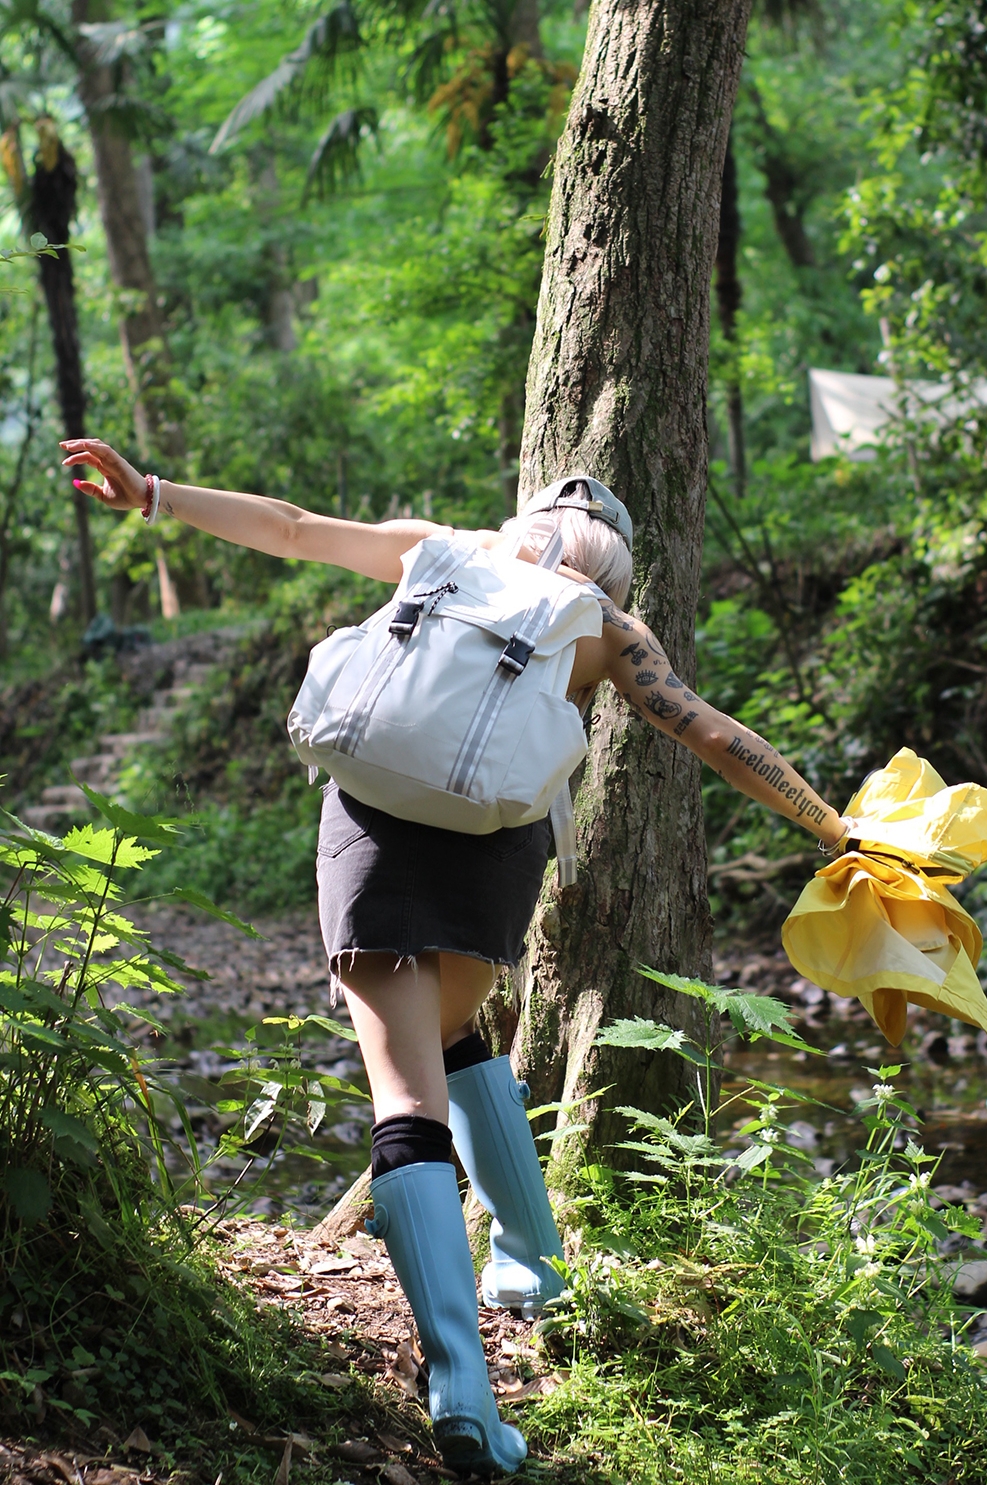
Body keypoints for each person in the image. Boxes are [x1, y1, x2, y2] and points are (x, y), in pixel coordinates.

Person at [60, 438, 851, 1474]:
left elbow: (290, 527)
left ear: (523, 526)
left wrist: (154, 494)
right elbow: (707, 731)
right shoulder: (614, 630)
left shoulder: (444, 552)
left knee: (404, 1100)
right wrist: (835, 828)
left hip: (375, 832)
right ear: (612, 562)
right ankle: (531, 1264)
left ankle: (462, 1397)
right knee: (457, 1033)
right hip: (494, 853)